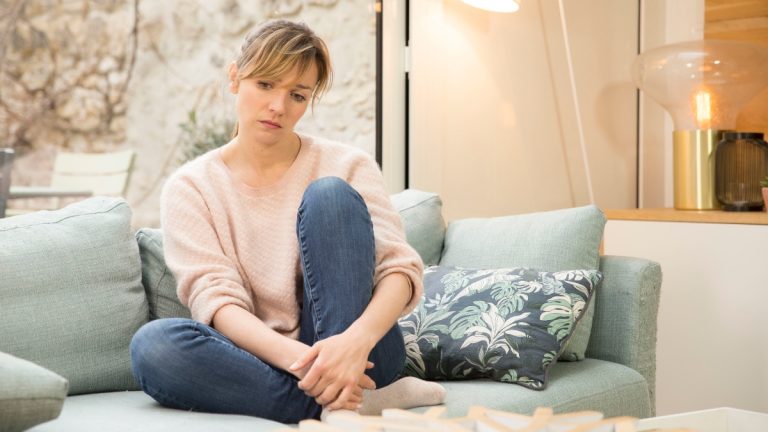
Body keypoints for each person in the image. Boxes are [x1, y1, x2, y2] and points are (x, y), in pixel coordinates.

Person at [129, 20, 445, 424]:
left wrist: (352, 344)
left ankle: (337, 394)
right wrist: (311, 365)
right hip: (266, 359)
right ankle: (355, 402)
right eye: (265, 85)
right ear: (234, 78)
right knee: (153, 346)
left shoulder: (349, 164)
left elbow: (399, 271)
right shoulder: (190, 188)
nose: (279, 107)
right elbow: (218, 303)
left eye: (297, 95)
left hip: (363, 353)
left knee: (329, 195)